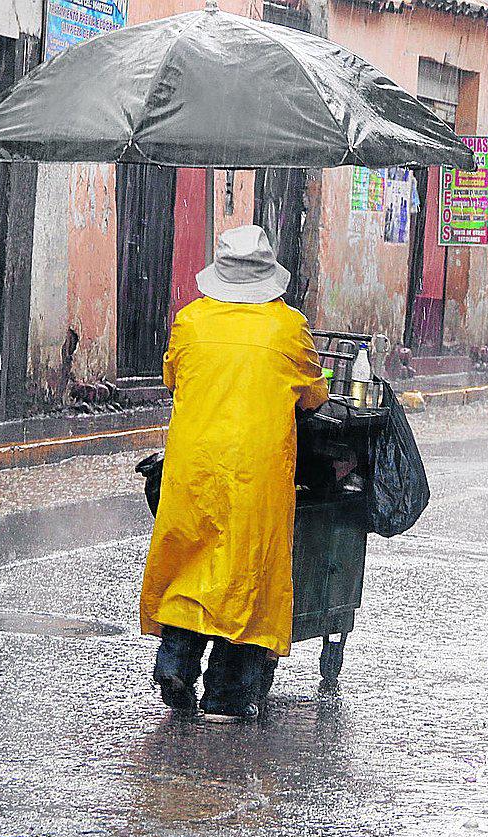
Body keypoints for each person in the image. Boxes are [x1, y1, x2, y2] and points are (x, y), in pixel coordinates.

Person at [141, 225, 329, 722]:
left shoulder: (191, 320)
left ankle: (176, 660)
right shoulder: (287, 326)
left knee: (191, 562)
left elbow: (172, 375)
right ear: (268, 276)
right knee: (250, 571)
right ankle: (228, 692)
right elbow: (313, 394)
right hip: (255, 471)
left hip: (196, 463)